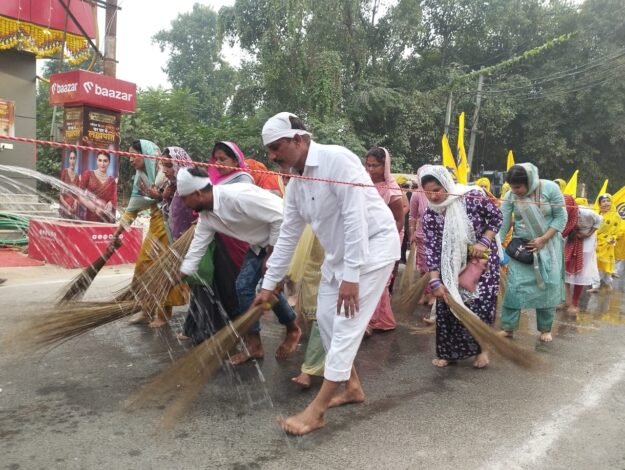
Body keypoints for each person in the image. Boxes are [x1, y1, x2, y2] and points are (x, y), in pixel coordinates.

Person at [253, 112, 400, 436]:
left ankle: (316, 411)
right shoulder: (296, 185)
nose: (272, 156)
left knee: (346, 324)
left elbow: (355, 219)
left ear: (299, 140)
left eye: (276, 147)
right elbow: (289, 234)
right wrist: (269, 284)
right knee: (327, 320)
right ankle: (353, 388)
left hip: (372, 249)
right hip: (340, 257)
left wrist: (351, 275)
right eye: (269, 150)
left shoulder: (338, 160)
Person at [176, 167, 301, 362]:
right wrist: (181, 274)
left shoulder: (237, 196)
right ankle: (255, 345)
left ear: (198, 193)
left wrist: (272, 254)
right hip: (259, 245)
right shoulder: (206, 217)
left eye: (185, 199)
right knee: (243, 288)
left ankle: (293, 329)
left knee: (267, 288)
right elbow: (197, 247)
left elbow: (280, 216)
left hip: (284, 239)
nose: (184, 204)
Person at [421, 165, 502, 368]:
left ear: (446, 185)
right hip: (451, 268)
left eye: (437, 189)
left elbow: (496, 217)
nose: (433, 196)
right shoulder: (430, 215)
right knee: (448, 307)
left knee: (480, 306)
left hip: (480, 263)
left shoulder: (472, 197)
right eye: (428, 192)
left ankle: (482, 349)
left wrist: (484, 241)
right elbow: (431, 249)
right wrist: (434, 280)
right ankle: (449, 352)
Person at [110, 139, 187, 328]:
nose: (130, 160)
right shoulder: (140, 177)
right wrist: (118, 231)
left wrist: (160, 196)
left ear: (144, 153)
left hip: (171, 226)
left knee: (165, 269)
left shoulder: (166, 171)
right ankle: (145, 310)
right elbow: (133, 208)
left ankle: (163, 313)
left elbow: (178, 196)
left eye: (133, 155)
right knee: (144, 266)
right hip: (155, 225)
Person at [498, 164, 567, 342]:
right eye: (512, 187)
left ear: (530, 181)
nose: (515, 191)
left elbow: (561, 217)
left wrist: (543, 239)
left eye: (518, 187)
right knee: (514, 287)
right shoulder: (510, 195)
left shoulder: (550, 189)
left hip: (548, 246)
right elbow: (503, 224)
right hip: (522, 249)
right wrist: (494, 245)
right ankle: (508, 327)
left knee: (547, 287)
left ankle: (545, 329)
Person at [364, 147, 406, 334]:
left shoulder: (392, 190)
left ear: (385, 166)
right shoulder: (362, 183)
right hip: (366, 235)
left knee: (378, 279)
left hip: (387, 238)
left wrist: (383, 242)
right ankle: (372, 319)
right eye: (368, 165)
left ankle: (372, 320)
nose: (371, 169)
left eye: (375, 166)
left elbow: (399, 220)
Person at [564, 197, 602, 313]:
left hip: (587, 239)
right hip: (571, 237)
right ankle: (566, 301)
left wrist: (588, 234)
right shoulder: (561, 212)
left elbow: (599, 220)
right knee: (565, 268)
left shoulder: (587, 212)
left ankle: (575, 303)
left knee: (581, 271)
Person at [589, 194, 622, 291]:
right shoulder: (597, 214)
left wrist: (613, 238)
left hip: (608, 244)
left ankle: (607, 283)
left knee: (606, 264)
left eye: (608, 200)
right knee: (595, 264)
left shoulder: (616, 216)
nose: (606, 203)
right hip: (596, 243)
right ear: (599, 204)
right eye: (603, 201)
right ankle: (596, 285)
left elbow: (618, 230)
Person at [80, 152, 117, 223]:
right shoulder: (88, 174)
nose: (102, 164)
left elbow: (113, 200)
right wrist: (94, 208)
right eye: (100, 160)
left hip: (106, 219)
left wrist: (110, 205)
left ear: (109, 162)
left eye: (105, 161)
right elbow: (79, 193)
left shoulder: (112, 181)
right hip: (90, 218)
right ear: (96, 161)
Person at [59, 150, 80, 219]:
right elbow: (61, 195)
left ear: (76, 160)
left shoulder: (77, 177)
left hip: (74, 210)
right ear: (68, 159)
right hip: (64, 209)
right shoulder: (64, 172)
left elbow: (77, 196)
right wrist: (67, 207)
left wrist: (76, 203)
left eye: (74, 158)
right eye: (71, 158)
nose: (72, 160)